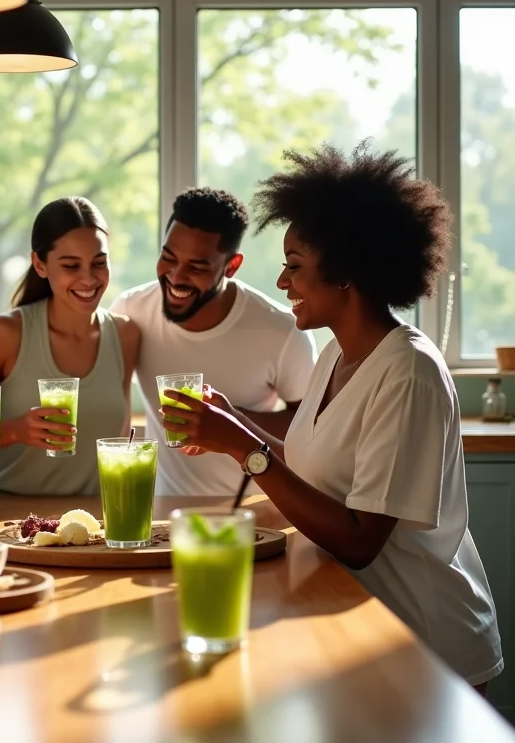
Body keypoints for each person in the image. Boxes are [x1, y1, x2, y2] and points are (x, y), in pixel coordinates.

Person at [160, 141, 503, 693]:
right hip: (361, 631)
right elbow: (314, 460)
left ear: (345, 272)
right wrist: (234, 424)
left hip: (426, 645)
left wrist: (243, 447)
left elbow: (359, 541)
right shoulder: (335, 356)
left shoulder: (408, 372)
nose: (282, 283)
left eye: (294, 266)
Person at [111, 187, 316, 497]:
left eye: (197, 267)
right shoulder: (131, 310)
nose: (176, 276)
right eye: (168, 258)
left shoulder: (283, 331)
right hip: (165, 510)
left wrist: (229, 420)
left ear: (231, 266)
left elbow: (310, 426)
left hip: (252, 509)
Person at [0, 196, 140, 496]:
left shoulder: (125, 334)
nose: (88, 279)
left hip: (91, 517)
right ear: (40, 265)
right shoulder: (2, 335)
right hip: (5, 514)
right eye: (71, 265)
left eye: (99, 263)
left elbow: (120, 433)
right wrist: (16, 430)